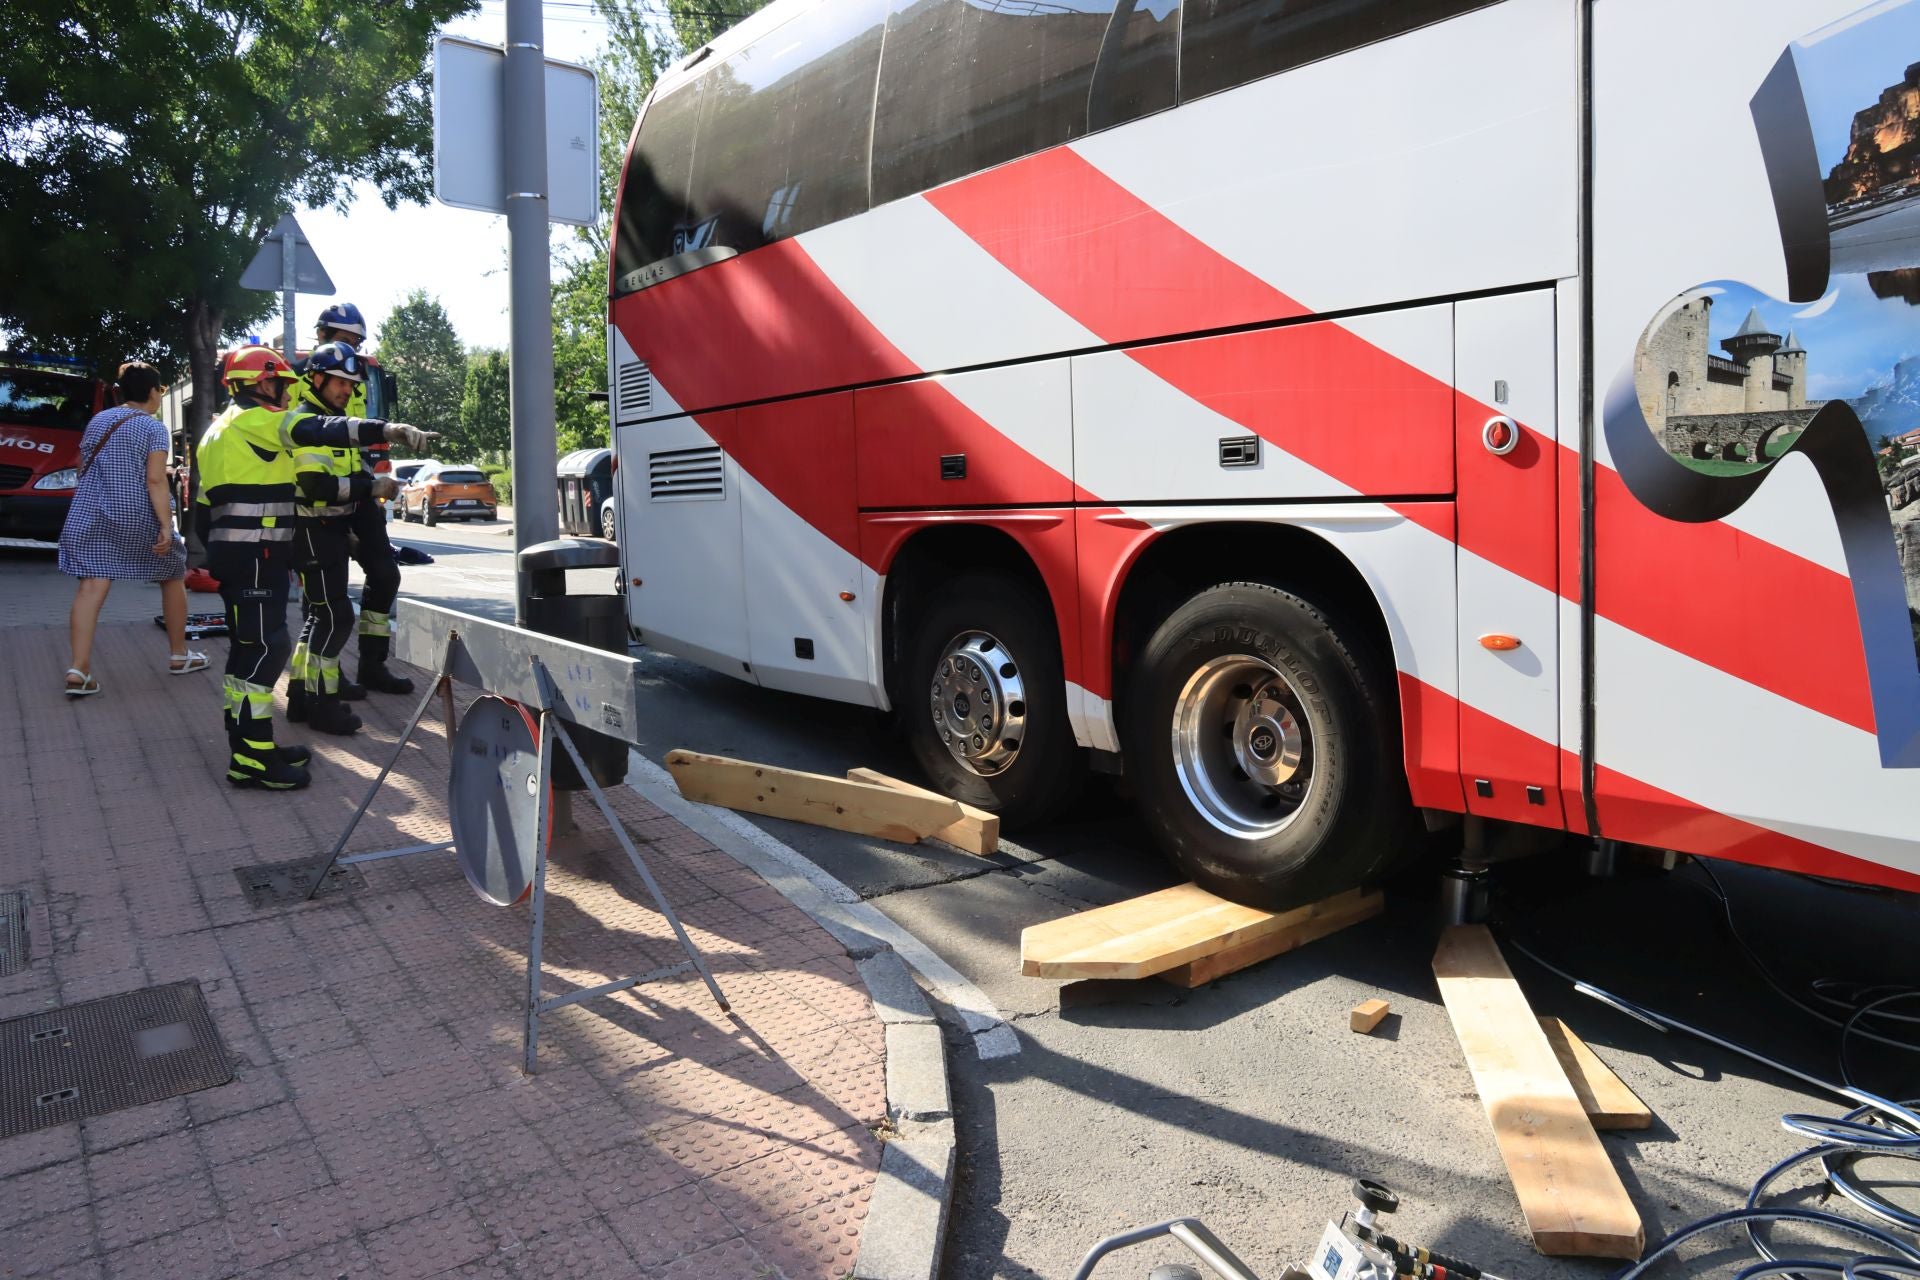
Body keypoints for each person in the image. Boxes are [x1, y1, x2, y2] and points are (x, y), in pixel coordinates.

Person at [197, 346, 434, 790]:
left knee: (249, 652)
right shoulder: (256, 420)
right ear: (260, 383)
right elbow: (320, 428)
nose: (287, 394)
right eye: (282, 384)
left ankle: (253, 746)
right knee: (264, 652)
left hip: (239, 554)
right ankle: (251, 761)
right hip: (256, 555)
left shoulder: (217, 431)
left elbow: (201, 511)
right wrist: (389, 430)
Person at [57, 361, 203, 696]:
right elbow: (155, 479)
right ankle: (179, 655)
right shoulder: (152, 428)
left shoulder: (99, 420)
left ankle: (79, 669)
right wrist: (166, 526)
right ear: (154, 391)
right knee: (172, 573)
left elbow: (81, 466)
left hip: (90, 511)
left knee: (92, 585)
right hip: (137, 513)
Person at [287, 342, 400, 736]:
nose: (346, 391)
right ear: (315, 378)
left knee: (321, 617)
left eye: (350, 385)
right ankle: (323, 704)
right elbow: (315, 484)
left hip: (328, 530)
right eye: (338, 382)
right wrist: (370, 489)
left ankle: (302, 698)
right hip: (314, 531)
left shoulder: (328, 422)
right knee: (335, 617)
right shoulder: (309, 424)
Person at [311, 301, 414, 698]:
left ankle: (373, 665)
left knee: (386, 574)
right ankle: (323, 680)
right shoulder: (307, 385)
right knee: (325, 597)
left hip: (359, 489)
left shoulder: (350, 384)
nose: (351, 350)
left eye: (357, 343)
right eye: (344, 341)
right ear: (321, 336)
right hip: (321, 498)